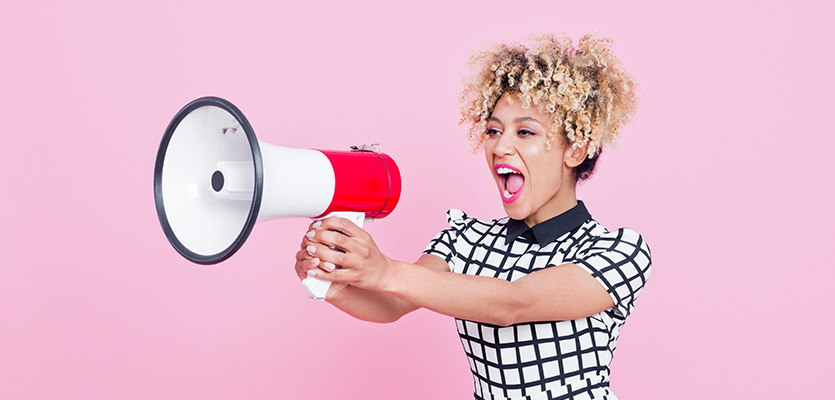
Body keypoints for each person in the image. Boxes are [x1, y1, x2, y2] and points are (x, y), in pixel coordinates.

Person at [294, 33, 652, 400]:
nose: (499, 146)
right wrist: (336, 283)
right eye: (493, 131)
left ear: (575, 149)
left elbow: (514, 303)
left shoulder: (618, 252)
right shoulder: (464, 240)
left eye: (525, 131)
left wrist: (383, 270)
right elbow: (390, 303)